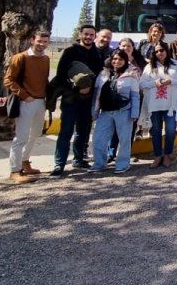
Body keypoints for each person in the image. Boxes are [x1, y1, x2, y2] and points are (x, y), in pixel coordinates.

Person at [51, 24, 104, 176]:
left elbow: (100, 75)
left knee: (83, 131)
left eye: (91, 35)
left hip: (89, 100)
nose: (88, 37)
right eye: (86, 34)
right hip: (71, 99)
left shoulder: (97, 53)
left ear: (95, 36)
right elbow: (61, 75)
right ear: (80, 34)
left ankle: (79, 159)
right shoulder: (70, 52)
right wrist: (77, 88)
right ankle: (59, 164)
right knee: (66, 131)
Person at [3, 30, 51, 184]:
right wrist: (25, 95)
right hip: (26, 102)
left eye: (45, 41)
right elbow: (9, 80)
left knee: (35, 134)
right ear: (32, 40)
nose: (42, 44)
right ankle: (15, 170)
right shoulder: (20, 58)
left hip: (40, 101)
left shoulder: (46, 59)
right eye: (39, 41)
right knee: (21, 136)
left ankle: (25, 161)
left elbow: (44, 80)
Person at [90, 49, 140, 174]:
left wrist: (134, 113)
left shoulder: (131, 75)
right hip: (105, 112)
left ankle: (123, 164)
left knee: (124, 140)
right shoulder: (103, 74)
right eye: (115, 59)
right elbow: (97, 94)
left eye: (120, 59)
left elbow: (135, 95)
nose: (117, 61)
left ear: (125, 61)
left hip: (123, 111)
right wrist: (94, 111)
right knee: (98, 139)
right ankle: (99, 164)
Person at [140, 42, 177, 168]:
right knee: (155, 130)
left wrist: (172, 81)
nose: (159, 53)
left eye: (162, 50)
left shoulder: (176, 65)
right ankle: (157, 155)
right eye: (156, 51)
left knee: (171, 130)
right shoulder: (149, 66)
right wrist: (154, 83)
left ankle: (167, 155)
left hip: (170, 105)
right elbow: (142, 84)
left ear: (166, 50)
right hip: (154, 105)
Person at [107, 36, 145, 163]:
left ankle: (125, 153)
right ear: (119, 47)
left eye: (129, 46)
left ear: (133, 48)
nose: (126, 48)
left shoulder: (139, 61)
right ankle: (111, 152)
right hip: (115, 99)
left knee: (130, 127)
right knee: (114, 128)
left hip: (135, 98)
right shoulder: (114, 60)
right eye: (123, 46)